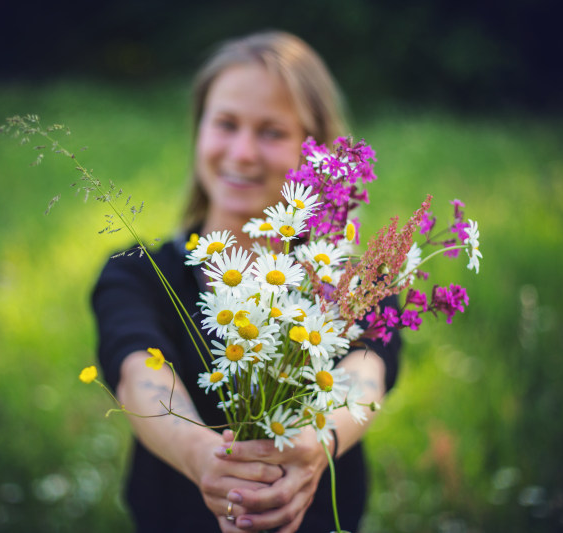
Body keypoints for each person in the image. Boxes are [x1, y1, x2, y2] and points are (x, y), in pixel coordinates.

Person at [92, 30, 401, 533]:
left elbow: (366, 372)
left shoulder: (351, 278)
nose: (242, 151)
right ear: (199, 130)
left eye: (272, 132)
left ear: (316, 152)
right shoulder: (138, 274)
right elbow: (138, 373)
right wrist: (202, 455)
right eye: (226, 124)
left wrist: (315, 444)